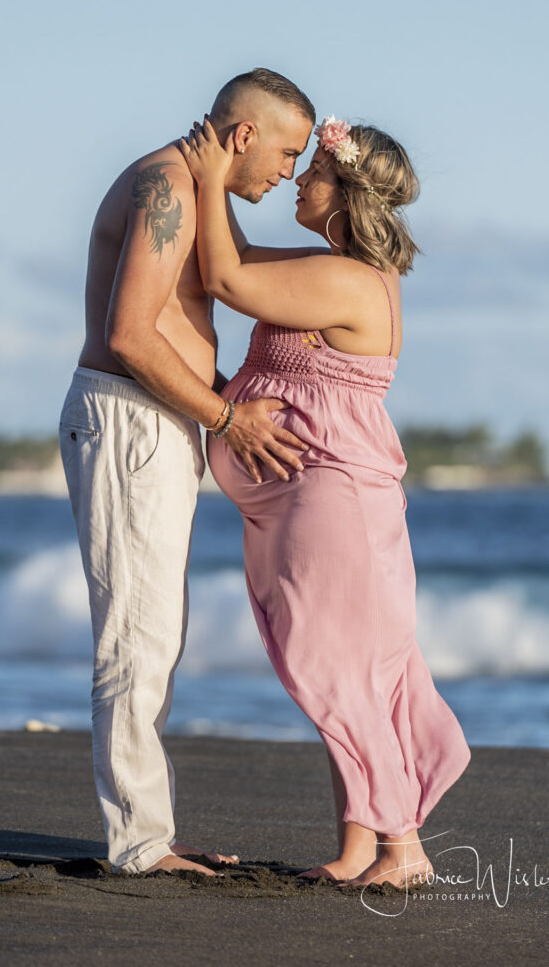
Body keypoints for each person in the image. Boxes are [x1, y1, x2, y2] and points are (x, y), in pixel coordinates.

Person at [179, 114, 472, 889]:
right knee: (354, 671)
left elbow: (224, 280)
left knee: (334, 663)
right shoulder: (331, 265)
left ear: (343, 192)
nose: (298, 180)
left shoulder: (345, 279)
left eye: (313, 171)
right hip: (313, 499)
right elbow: (233, 255)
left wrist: (210, 175)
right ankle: (357, 846)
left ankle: (403, 848)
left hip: (331, 498)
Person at [59, 68, 318, 877]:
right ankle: (139, 845)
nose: (287, 173)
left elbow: (233, 272)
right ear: (242, 135)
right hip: (131, 418)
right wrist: (228, 418)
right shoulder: (167, 184)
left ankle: (149, 832)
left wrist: (351, 268)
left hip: (150, 422)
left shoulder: (191, 187)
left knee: (153, 634)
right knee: (137, 638)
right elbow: (131, 335)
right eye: (285, 153)